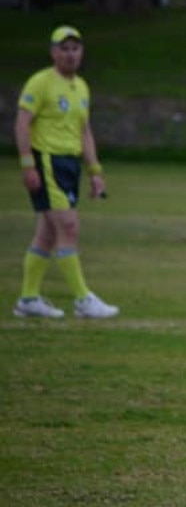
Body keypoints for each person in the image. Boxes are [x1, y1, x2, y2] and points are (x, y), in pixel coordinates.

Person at [13, 25, 119, 319]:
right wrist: (27, 164)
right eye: (64, 48)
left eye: (75, 48)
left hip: (70, 164)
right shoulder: (40, 83)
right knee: (68, 227)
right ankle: (83, 300)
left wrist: (95, 171)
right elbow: (22, 123)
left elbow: (84, 131)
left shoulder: (81, 87)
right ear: (53, 52)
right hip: (48, 160)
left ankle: (28, 299)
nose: (70, 54)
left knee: (47, 234)